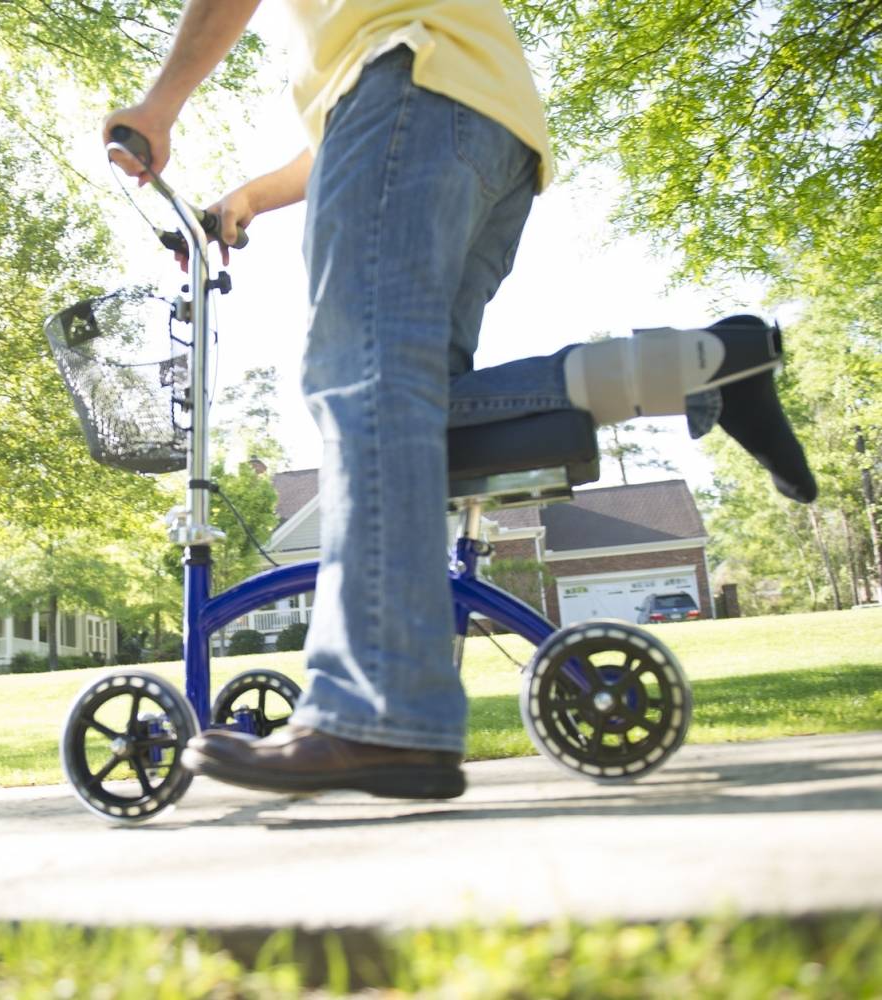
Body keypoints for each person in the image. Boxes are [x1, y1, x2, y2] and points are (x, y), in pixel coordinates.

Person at [105, 0, 816, 801]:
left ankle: (374, 715)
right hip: (487, 124)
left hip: (412, 81)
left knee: (362, 384)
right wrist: (253, 198)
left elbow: (387, 102)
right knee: (415, 405)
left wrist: (159, 103)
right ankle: (698, 366)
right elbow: (375, 125)